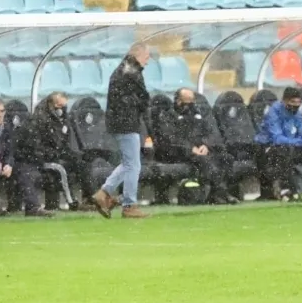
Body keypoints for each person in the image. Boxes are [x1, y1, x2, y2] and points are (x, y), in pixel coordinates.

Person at [92, 44, 152, 219]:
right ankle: (129, 204)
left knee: (129, 163)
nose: (148, 60)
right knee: (133, 165)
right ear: (138, 54)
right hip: (126, 122)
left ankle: (104, 193)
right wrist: (142, 107)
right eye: (146, 56)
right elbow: (143, 98)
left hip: (120, 122)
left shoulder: (123, 70)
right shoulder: (131, 72)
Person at [158, 88, 239, 205]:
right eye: (187, 101)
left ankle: (219, 193)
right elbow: (170, 139)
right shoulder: (168, 116)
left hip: (203, 151)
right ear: (178, 101)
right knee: (204, 161)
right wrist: (190, 149)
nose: (190, 104)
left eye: (192, 100)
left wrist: (206, 145)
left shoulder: (198, 115)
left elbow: (211, 132)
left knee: (226, 158)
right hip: (180, 153)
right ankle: (220, 193)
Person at [15, 92, 90, 212]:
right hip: (38, 158)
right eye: (59, 106)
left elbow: (63, 144)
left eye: (64, 106)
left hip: (54, 154)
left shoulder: (62, 120)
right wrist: (53, 155)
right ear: (50, 104)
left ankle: (91, 199)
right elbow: (35, 147)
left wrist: (74, 155)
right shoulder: (37, 120)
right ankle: (72, 203)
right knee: (60, 169)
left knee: (82, 163)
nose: (62, 110)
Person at [254, 87, 302, 199]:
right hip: (266, 148)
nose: (296, 105)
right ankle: (286, 189)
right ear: (284, 101)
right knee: (284, 150)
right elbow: (277, 139)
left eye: (298, 102)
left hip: (289, 145)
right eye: (292, 102)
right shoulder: (274, 112)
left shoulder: (297, 113)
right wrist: (300, 142)